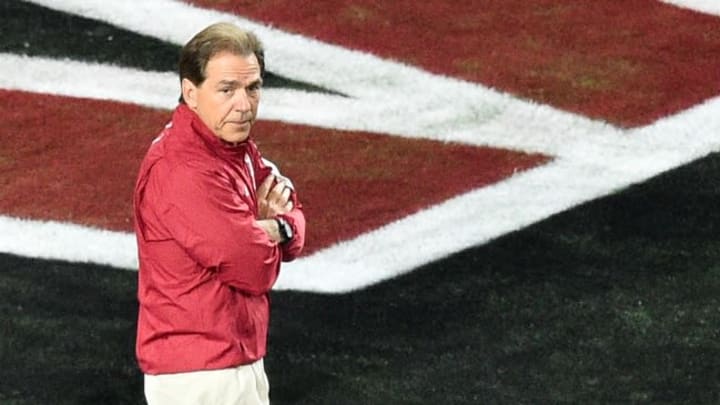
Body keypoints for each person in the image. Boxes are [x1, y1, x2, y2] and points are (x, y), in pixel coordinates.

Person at [132, 22, 305, 405]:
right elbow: (253, 267)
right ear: (190, 92)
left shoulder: (236, 148)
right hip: (200, 378)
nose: (244, 105)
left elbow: (294, 214)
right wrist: (277, 230)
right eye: (227, 89)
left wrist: (274, 228)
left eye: (253, 88)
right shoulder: (183, 169)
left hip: (234, 361)